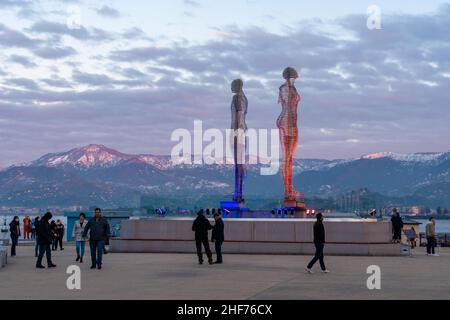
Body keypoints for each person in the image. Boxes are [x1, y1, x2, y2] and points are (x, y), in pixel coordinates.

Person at [277, 67, 304, 200]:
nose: (294, 79)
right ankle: (288, 190)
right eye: (294, 77)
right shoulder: (286, 88)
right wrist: (288, 126)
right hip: (288, 123)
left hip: (290, 123)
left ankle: (289, 188)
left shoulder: (290, 88)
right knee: (287, 158)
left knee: (289, 158)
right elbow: (287, 106)